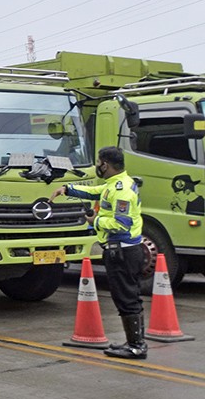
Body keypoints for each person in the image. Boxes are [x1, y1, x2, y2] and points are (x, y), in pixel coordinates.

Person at [50, 146, 147, 359]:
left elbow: (121, 224)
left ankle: (137, 345)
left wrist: (97, 221)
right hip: (123, 251)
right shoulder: (116, 183)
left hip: (122, 251)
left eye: (98, 162)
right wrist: (67, 189)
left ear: (106, 164)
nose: (97, 166)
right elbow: (97, 191)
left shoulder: (121, 191)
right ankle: (133, 342)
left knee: (126, 298)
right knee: (128, 296)